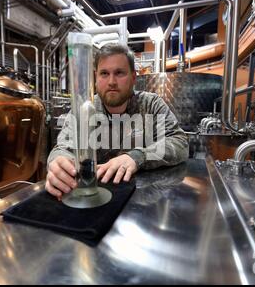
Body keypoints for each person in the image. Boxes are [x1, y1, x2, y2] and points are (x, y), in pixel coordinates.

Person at [45, 43, 189, 199]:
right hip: (95, 200)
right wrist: (57, 164)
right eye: (104, 73)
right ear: (96, 77)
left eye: (119, 73)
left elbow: (179, 142)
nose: (111, 81)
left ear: (133, 77)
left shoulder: (151, 105)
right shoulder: (85, 110)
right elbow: (62, 148)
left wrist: (137, 157)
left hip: (139, 198)